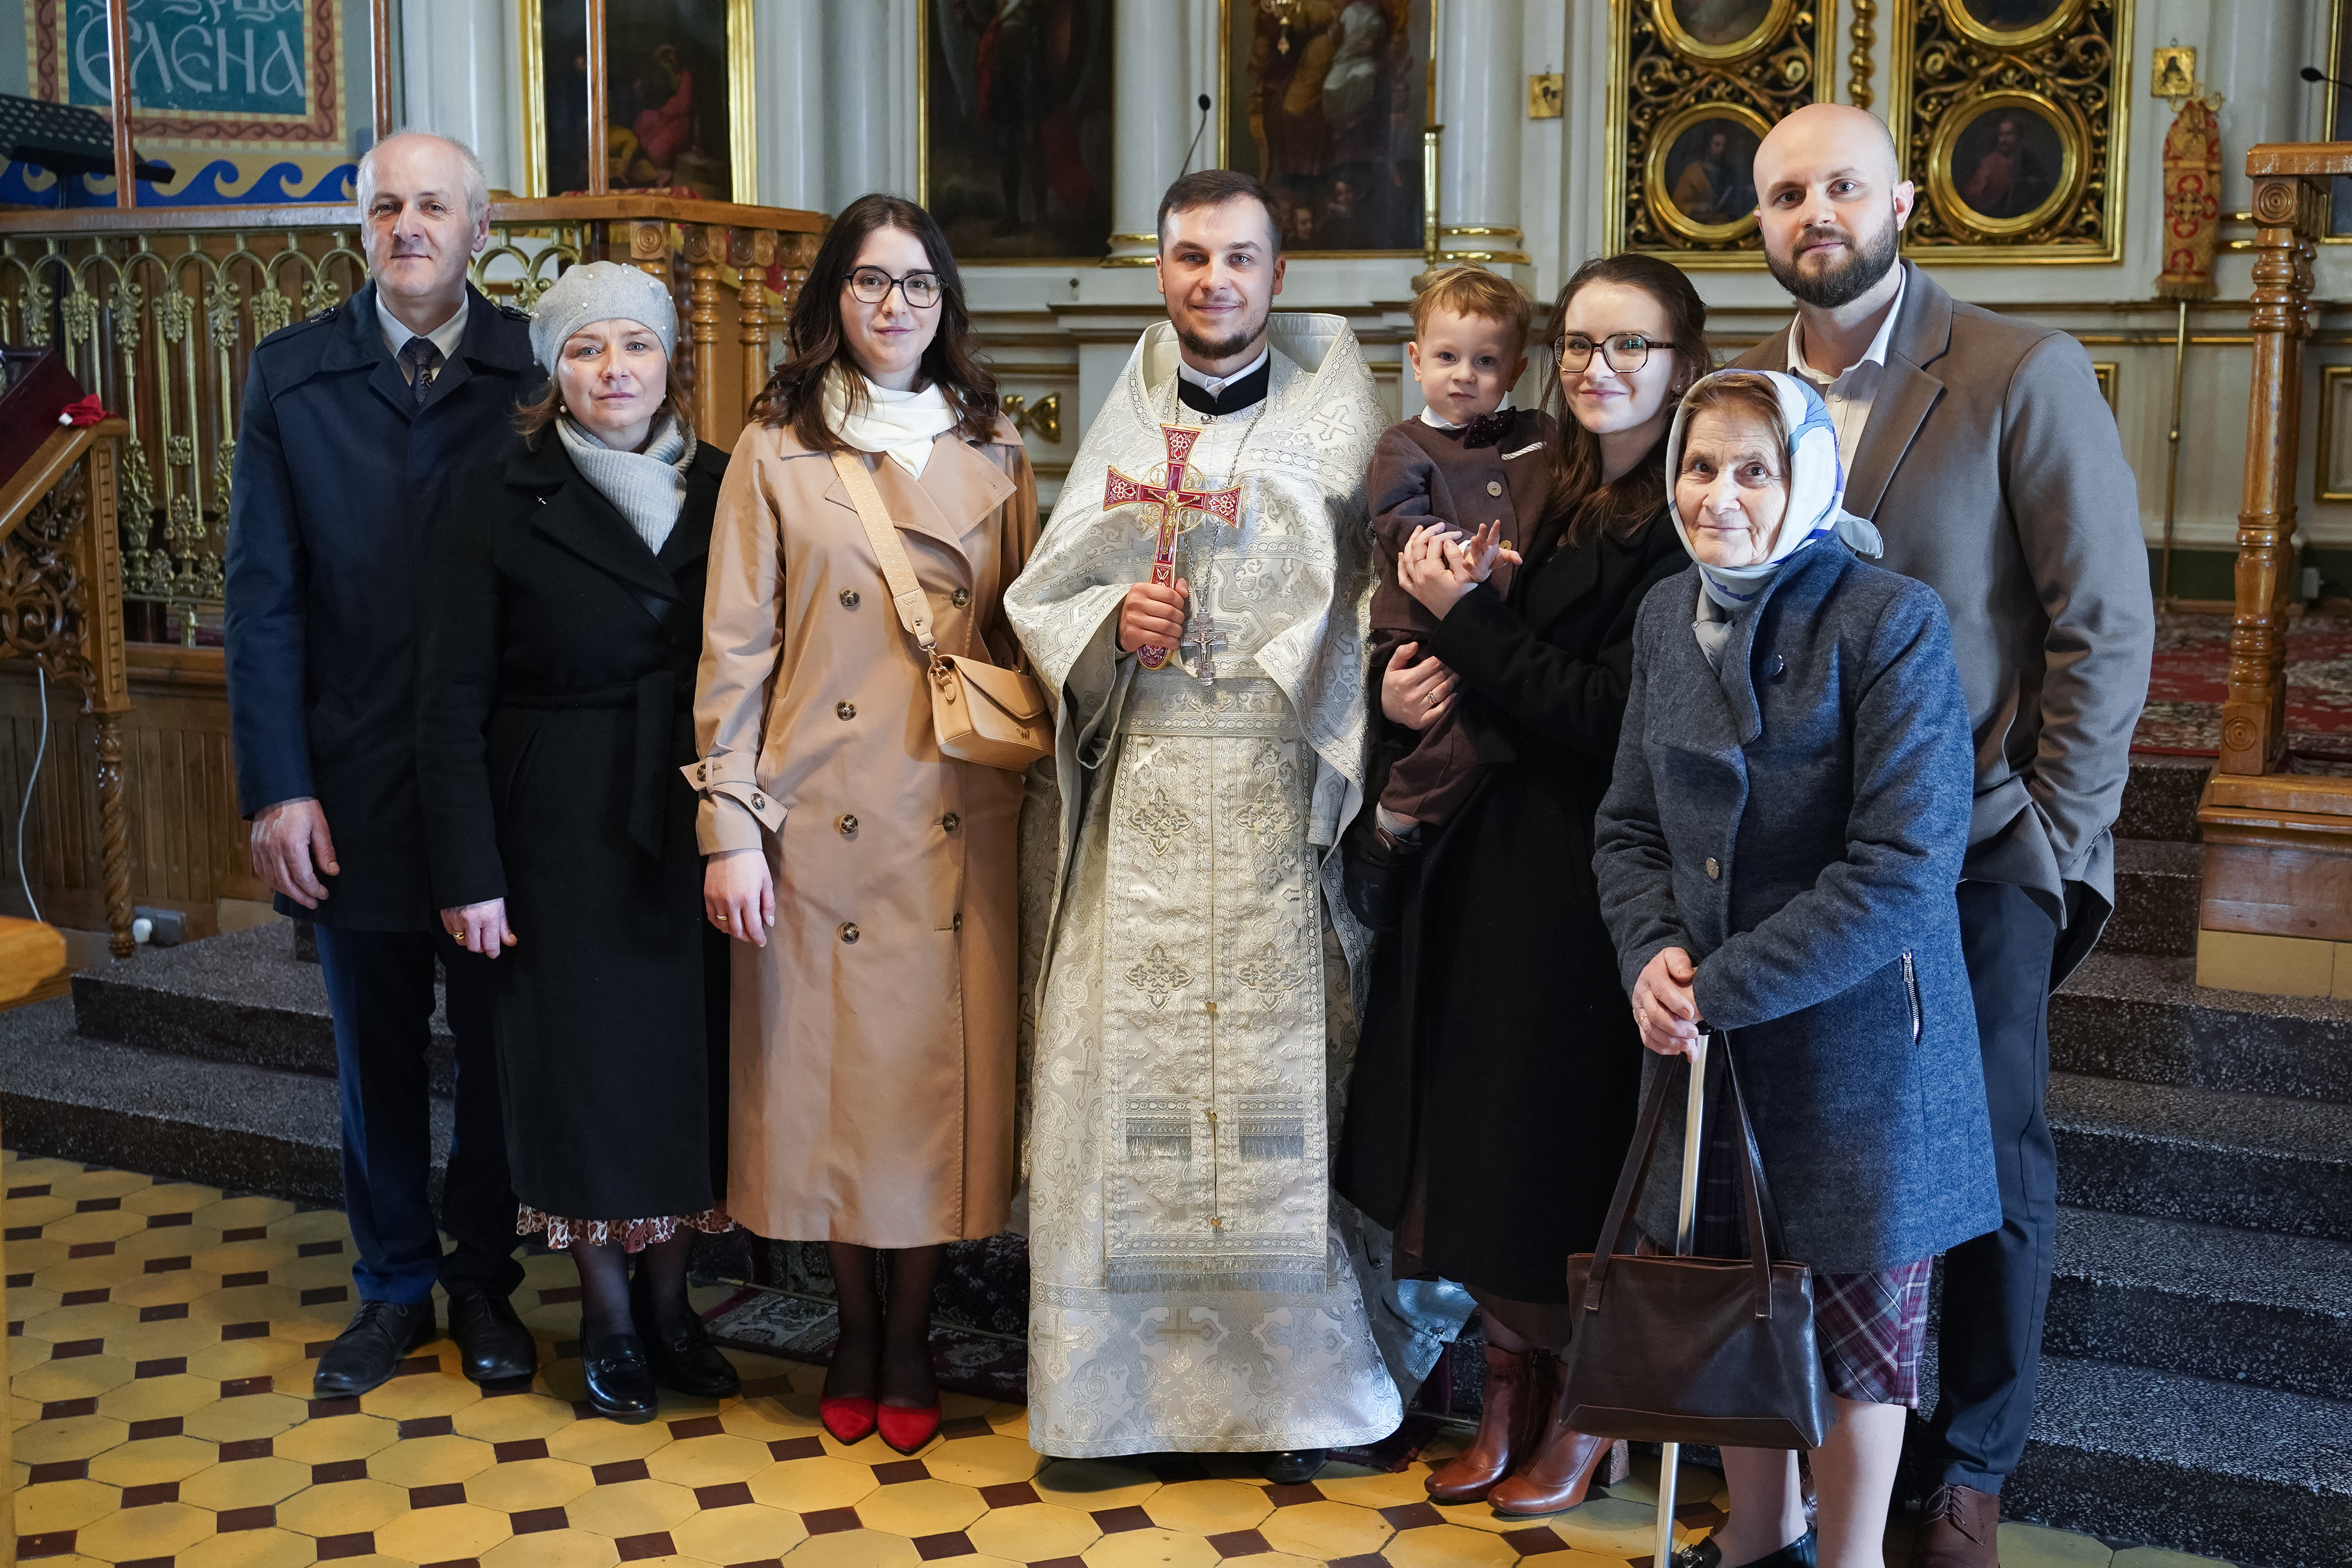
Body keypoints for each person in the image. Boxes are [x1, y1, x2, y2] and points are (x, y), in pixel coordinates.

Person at [1735, 103, 2153, 1568]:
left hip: (1977, 848)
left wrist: (2059, 836)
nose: (1813, 215)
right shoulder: (1743, 404)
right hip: (1800, 864)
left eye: (1838, 185)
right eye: (1784, 194)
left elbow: (2100, 621)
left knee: (1983, 1161)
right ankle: (1814, 1476)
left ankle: (1964, 1474)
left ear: (1899, 197)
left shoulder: (2011, 371)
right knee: (1822, 1170)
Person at [1004, 169, 1401, 1483]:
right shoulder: (1125, 425)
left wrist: (1286, 653)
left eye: (1238, 259)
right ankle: (1110, 1408)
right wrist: (1109, 624)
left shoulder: (1334, 428)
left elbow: (1363, 599)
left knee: (1290, 1090)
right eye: (1188, 258)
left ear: (1275, 276)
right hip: (1149, 790)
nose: (1211, 282)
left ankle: (1306, 1400)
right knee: (1105, 1075)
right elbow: (1048, 589)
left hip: (1278, 798)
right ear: (1160, 272)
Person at [1595, 368, 2002, 1568]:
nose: (1717, 494)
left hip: (1857, 1039)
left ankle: (1848, 1554)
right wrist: (1643, 953)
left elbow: (1900, 870)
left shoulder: (1886, 619)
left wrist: (1707, 987)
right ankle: (1754, 1538)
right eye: (1697, 465)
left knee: (1854, 1317)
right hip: (1704, 1036)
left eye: (1751, 469)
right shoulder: (1665, 612)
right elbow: (1624, 823)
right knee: (1735, 1289)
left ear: (1809, 480)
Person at [1335, 253, 1707, 1514]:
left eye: (1630, 348)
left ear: (1681, 365)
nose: (1596, 370)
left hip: (1586, 865)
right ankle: (1507, 1388)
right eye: (1579, 346)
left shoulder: (1678, 515)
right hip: (1494, 848)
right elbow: (1465, 641)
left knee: (1562, 1144)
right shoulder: (1551, 483)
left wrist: (1469, 630)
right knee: (1483, 1135)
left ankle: (1584, 1415)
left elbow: (1611, 712)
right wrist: (1401, 687)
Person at [691, 193, 1037, 1458]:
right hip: (817, 816)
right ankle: (855, 1329)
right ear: (831, 295)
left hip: (954, 810)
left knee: (930, 1095)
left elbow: (1022, 632)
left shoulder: (995, 444)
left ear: (945, 306)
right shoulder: (776, 444)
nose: (895, 306)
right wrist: (729, 827)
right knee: (840, 1090)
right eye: (871, 281)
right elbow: (731, 648)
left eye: (918, 286)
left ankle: (917, 1327)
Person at [224, 130, 538, 1398]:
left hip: (498, 780)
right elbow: (261, 601)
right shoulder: (291, 376)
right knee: (376, 1054)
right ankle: (393, 1286)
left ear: (480, 225)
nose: (409, 224)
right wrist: (275, 780)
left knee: (502, 1053)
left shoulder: (538, 367)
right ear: (361, 226)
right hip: (345, 778)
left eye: (433, 206)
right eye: (384, 206)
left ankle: (484, 1285)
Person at [415, 262, 737, 1423]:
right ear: (555, 370)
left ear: (667, 361)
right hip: (553, 817)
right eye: (589, 349)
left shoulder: (726, 481)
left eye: (635, 347)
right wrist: (469, 872)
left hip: (693, 807)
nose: (615, 370)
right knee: (583, 1075)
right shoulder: (497, 484)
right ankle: (605, 1315)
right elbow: (446, 698)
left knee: (683, 1066)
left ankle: (671, 1304)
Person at [1343, 265, 1552, 931]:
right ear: (1415, 359)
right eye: (1446, 357)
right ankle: (1392, 819)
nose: (1464, 374)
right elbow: (1398, 519)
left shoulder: (1539, 435)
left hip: (1508, 627)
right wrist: (1458, 555)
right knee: (1469, 725)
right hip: (1424, 626)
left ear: (1515, 369)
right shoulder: (1403, 445)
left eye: (1485, 361)